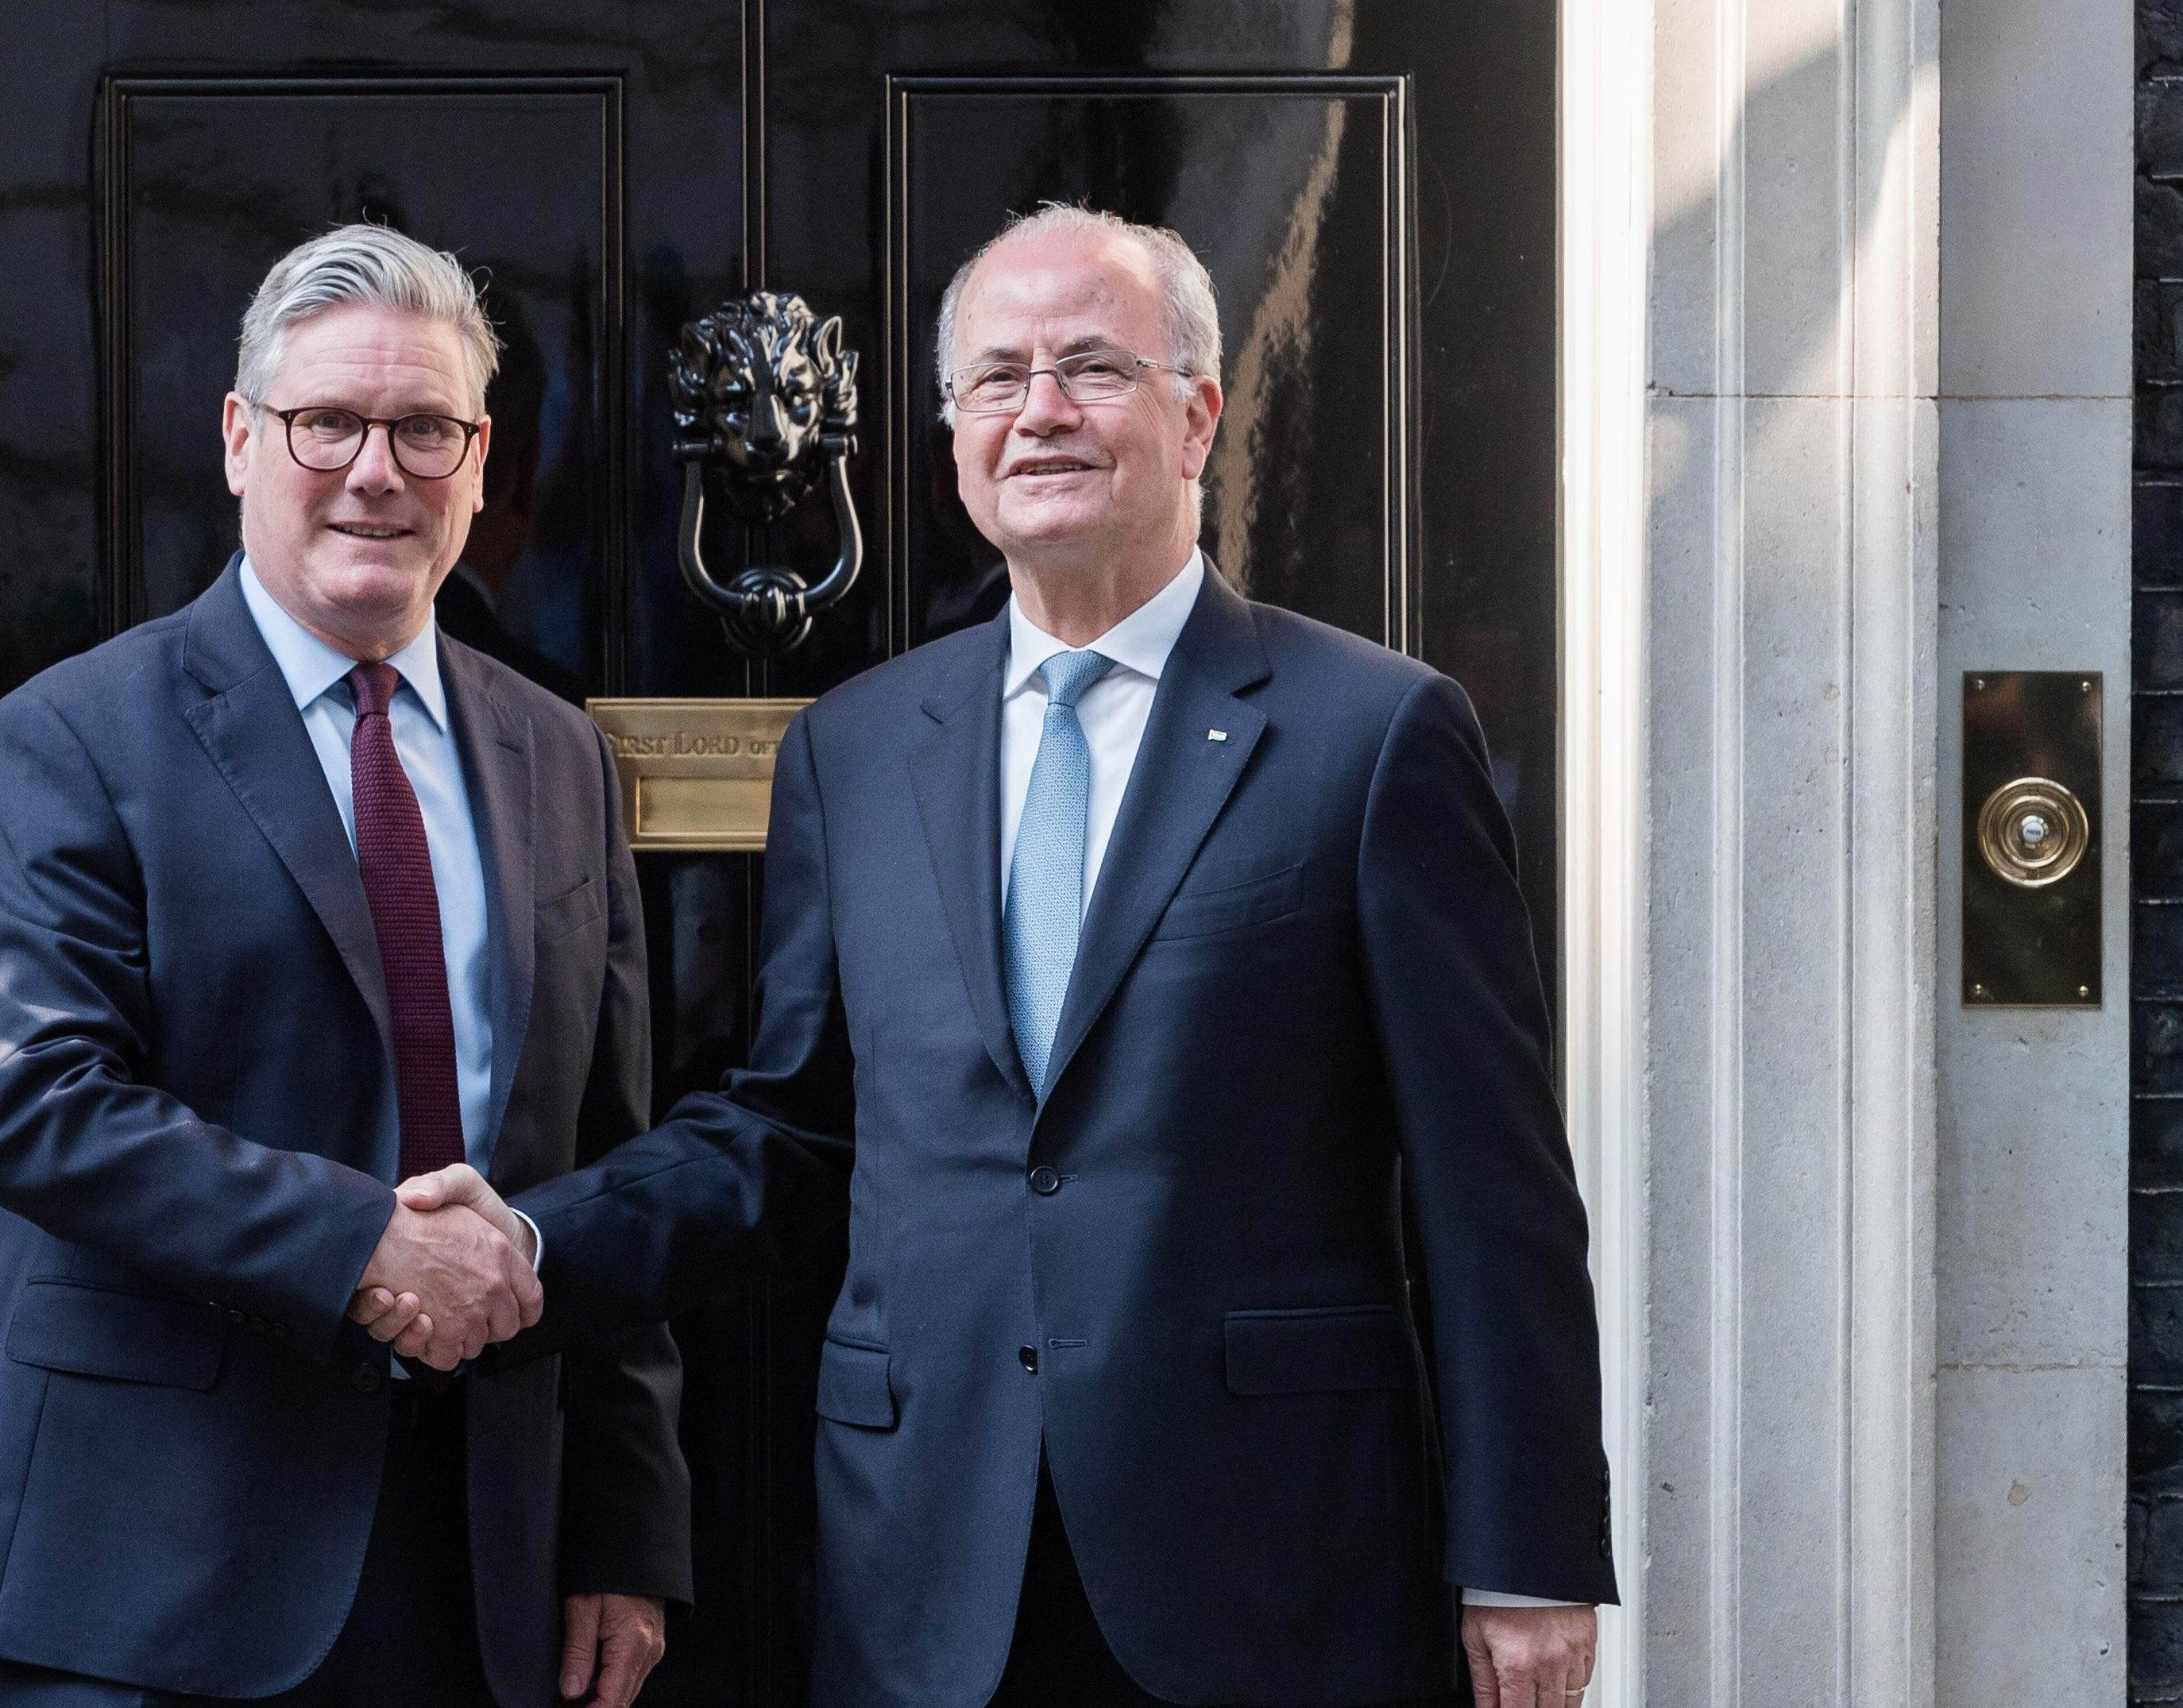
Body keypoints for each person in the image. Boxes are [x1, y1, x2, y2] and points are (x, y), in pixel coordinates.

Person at [396, 207, 1615, 1708]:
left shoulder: (1372, 735)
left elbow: (1490, 1180)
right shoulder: (857, 744)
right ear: (954, 435)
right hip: (926, 1560)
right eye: (997, 377)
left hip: (1270, 1558)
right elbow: (790, 1124)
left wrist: (1530, 1554)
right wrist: (529, 1242)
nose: (1040, 410)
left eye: (1092, 366)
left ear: (1198, 413)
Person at [0, 224, 685, 1708]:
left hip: (483, 1560)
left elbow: (610, 1160)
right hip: (152, 1562)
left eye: (423, 429)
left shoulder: (562, 758)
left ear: (478, 458)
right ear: (239, 439)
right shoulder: (73, 735)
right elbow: (26, 1101)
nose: (375, 471)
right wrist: (364, 1247)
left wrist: (623, 1521)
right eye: (328, 421)